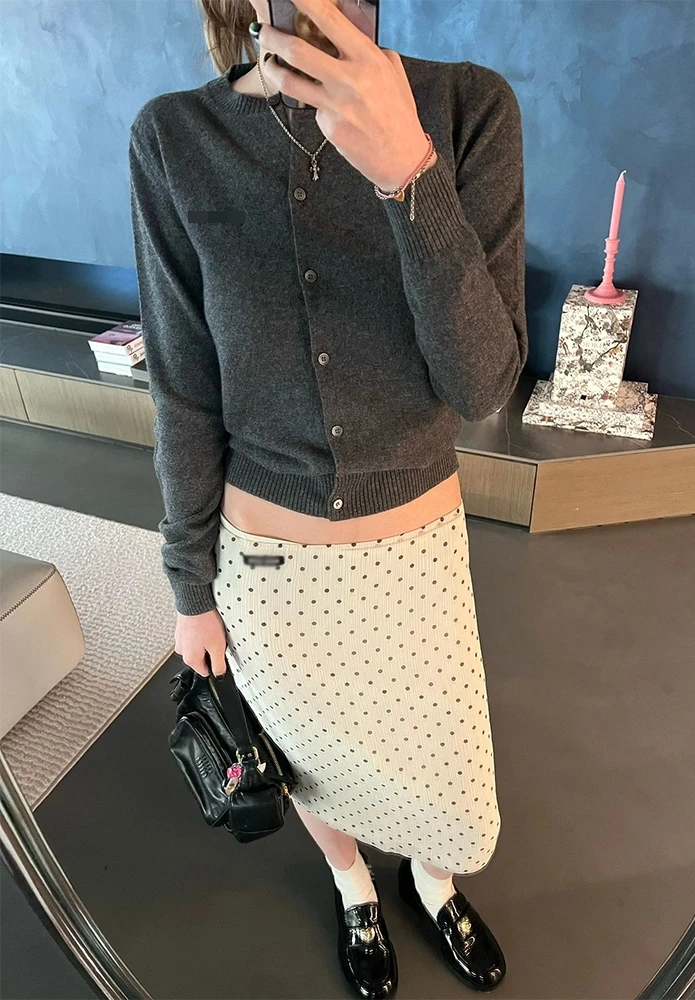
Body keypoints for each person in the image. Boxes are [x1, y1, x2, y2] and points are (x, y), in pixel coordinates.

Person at [128, 0, 527, 995]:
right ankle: (353, 886)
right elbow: (184, 386)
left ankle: (432, 883)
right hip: (267, 569)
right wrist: (189, 587)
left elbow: (483, 387)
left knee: (439, 771)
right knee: (312, 757)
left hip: (415, 559)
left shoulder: (466, 107)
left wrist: (409, 175)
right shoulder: (178, 137)